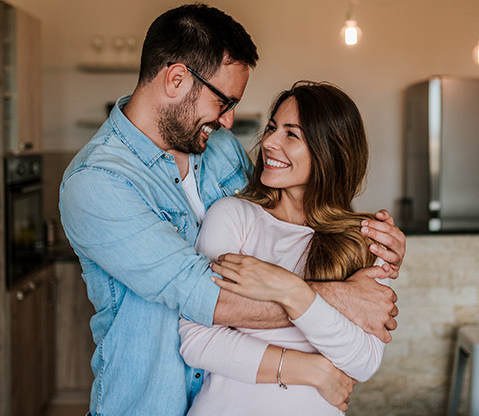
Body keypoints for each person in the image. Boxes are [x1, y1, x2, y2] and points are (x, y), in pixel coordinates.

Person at [58, 4, 405, 416]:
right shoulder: (97, 182)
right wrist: (342, 298)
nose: (228, 121)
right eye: (224, 101)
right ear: (176, 78)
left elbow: (279, 220)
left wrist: (373, 244)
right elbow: (207, 298)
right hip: (151, 404)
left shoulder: (217, 148)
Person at [179, 81, 387, 415]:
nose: (269, 143)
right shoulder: (234, 216)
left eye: (292, 134)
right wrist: (316, 369)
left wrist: (291, 290)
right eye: (273, 128)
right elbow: (197, 341)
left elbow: (363, 362)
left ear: (329, 151)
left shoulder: (363, 241)